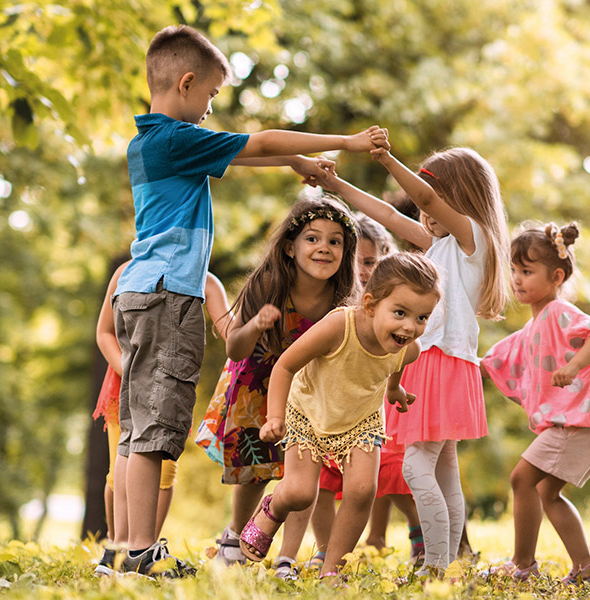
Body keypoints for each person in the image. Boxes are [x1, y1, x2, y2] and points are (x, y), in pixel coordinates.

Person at [110, 24, 382, 577]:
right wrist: (344, 144)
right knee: (159, 430)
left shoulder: (151, 143)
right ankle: (138, 552)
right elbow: (258, 142)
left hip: (140, 292)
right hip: (168, 296)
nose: (211, 109)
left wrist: (293, 165)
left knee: (141, 429)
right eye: (209, 96)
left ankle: (129, 549)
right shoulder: (174, 138)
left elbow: (247, 155)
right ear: (185, 83)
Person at [313, 141, 510, 576]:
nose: (424, 212)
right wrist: (334, 184)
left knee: (416, 464)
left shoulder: (472, 239)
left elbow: (423, 198)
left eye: (434, 200)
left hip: (441, 362)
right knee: (444, 472)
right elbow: (388, 216)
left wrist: (385, 159)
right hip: (435, 363)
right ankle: (448, 562)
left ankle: (435, 564)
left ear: (460, 198)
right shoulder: (440, 244)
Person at [238, 253, 442, 581]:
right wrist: (274, 417)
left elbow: (398, 364)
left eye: (422, 317)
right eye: (400, 313)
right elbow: (285, 366)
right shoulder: (339, 325)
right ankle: (272, 507)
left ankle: (332, 569)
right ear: (371, 304)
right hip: (309, 412)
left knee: (362, 490)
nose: (409, 327)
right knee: (301, 492)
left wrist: (393, 390)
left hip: (362, 420)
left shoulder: (409, 347)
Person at [193, 195, 359, 576]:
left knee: (302, 475)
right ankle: (234, 538)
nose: (324, 248)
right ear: (290, 246)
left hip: (309, 390)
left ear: (346, 251)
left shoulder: (343, 298)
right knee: (256, 468)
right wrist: (254, 325)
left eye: (335, 241)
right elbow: (235, 347)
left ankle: (286, 555)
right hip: (258, 382)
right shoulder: (269, 283)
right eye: (313, 238)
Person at [481, 222, 590, 584]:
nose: (517, 279)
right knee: (545, 492)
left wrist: (573, 366)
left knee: (521, 479)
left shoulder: (559, 312)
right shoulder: (534, 325)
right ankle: (587, 568)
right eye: (514, 270)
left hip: (580, 421)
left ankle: (523, 565)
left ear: (556, 276)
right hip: (580, 423)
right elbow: (498, 358)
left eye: (527, 271)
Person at [92, 261, 231, 577]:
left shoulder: (204, 280)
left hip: (167, 389)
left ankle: (143, 549)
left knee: (163, 469)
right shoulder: (126, 272)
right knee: (119, 471)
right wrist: (130, 373)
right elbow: (104, 333)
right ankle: (116, 547)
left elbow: (230, 329)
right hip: (124, 388)